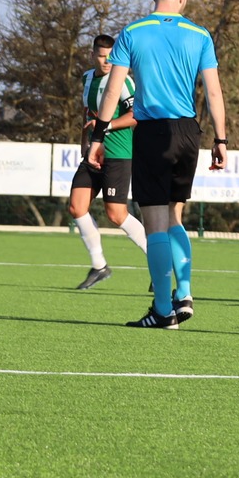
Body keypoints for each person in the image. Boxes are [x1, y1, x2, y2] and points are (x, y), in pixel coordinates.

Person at [96, 0, 227, 329]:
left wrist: (98, 136)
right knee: (175, 216)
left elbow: (113, 90)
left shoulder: (132, 32)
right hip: (187, 132)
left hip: (152, 132)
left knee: (154, 222)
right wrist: (221, 139)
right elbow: (214, 92)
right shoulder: (199, 34)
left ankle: (162, 310)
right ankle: (184, 293)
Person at [70, 34, 149, 289]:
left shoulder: (123, 81)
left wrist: (106, 127)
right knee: (76, 207)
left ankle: (159, 263)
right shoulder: (87, 79)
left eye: (111, 57)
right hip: (93, 154)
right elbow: (87, 114)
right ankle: (99, 266)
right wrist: (85, 143)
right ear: (92, 55)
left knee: (116, 214)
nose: (107, 62)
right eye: (102, 56)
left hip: (118, 153)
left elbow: (136, 115)